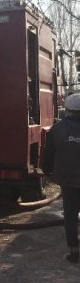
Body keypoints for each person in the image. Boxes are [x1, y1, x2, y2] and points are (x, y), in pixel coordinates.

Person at [41, 93, 80, 264]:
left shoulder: (57, 129)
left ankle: (74, 251)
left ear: (68, 110)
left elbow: (48, 154)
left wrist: (47, 171)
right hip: (69, 178)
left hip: (68, 180)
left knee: (70, 215)